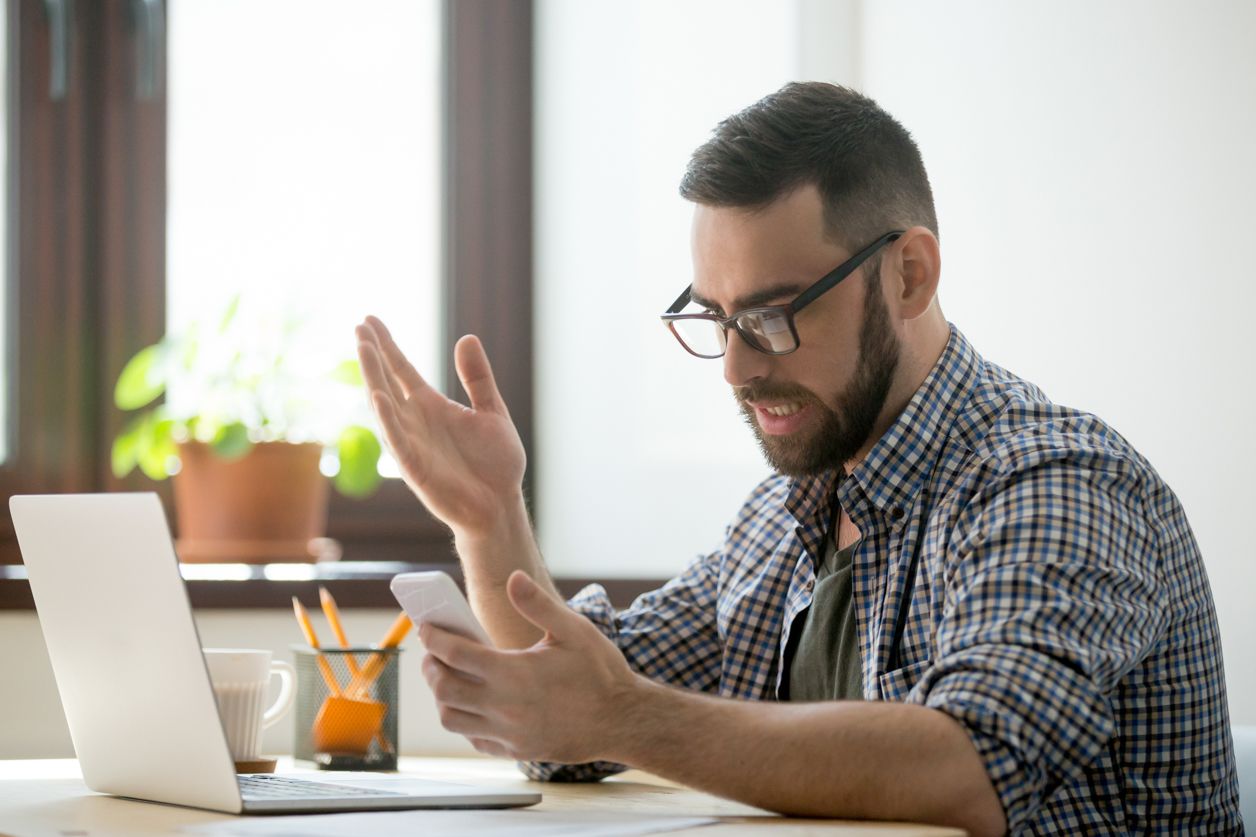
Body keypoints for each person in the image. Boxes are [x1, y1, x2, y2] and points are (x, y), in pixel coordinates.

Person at [355, 82, 1242, 835]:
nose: (739, 367)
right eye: (717, 318)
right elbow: (567, 714)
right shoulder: (787, 519)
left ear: (909, 276)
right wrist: (490, 516)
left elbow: (976, 763)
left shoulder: (1057, 481)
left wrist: (623, 712)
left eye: (775, 316)